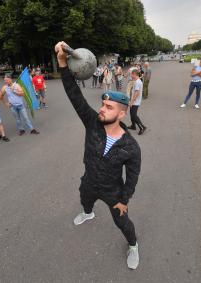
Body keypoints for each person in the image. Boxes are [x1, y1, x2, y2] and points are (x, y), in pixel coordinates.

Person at [56, 41, 141, 270]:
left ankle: (133, 245)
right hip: (90, 180)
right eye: (103, 104)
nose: (102, 109)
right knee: (84, 198)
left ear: (122, 113)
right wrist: (63, 64)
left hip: (113, 190)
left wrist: (124, 200)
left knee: (122, 222)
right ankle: (88, 213)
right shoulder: (93, 123)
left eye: (109, 107)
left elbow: (131, 178)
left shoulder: (131, 148)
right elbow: (74, 95)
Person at [128, 69, 147, 135]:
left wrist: (131, 102)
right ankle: (133, 126)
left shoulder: (137, 82)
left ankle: (142, 127)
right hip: (134, 101)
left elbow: (137, 93)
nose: (130, 75)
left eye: (131, 74)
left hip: (135, 102)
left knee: (134, 115)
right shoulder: (137, 81)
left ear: (134, 74)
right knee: (131, 113)